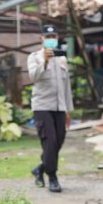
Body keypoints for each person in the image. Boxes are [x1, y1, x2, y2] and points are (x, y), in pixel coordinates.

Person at [27, 24, 73, 193]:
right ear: (42, 39)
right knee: (50, 141)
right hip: (42, 106)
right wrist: (44, 62)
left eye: (54, 36)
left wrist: (68, 110)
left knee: (59, 140)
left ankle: (40, 168)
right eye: (48, 37)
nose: (51, 39)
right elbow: (33, 77)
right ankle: (52, 177)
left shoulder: (62, 59)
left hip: (60, 107)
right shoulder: (34, 57)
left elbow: (66, 86)